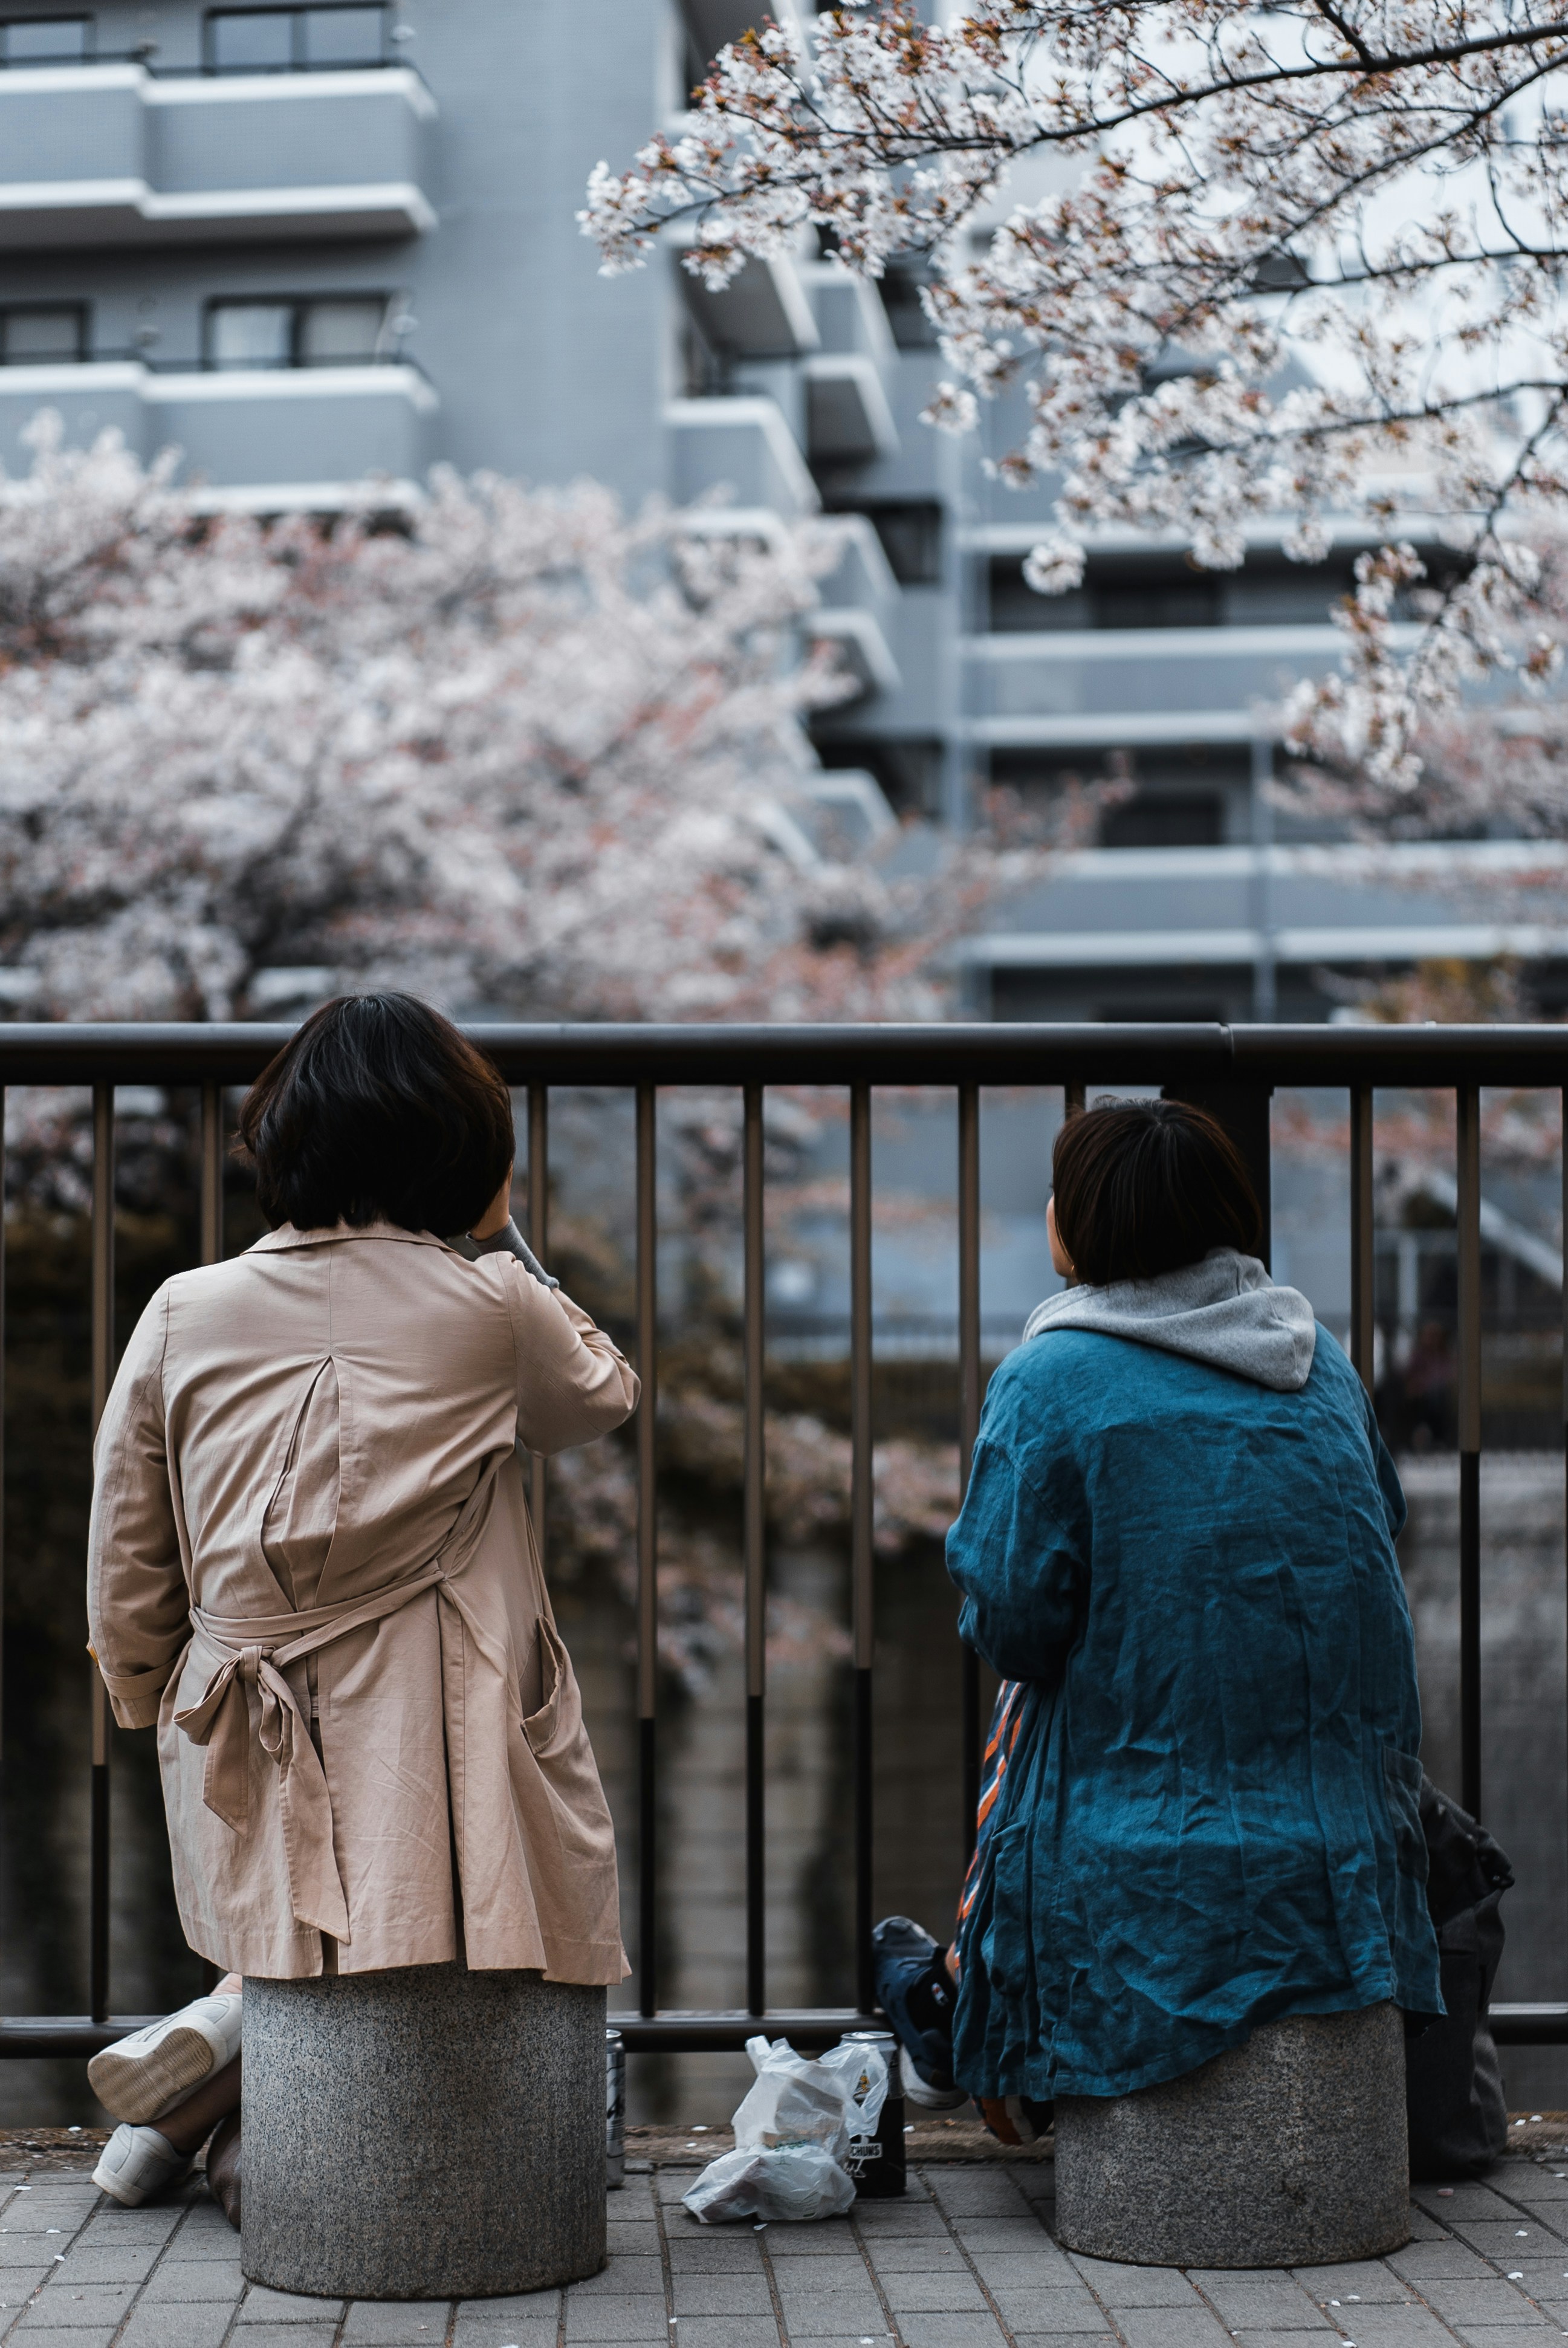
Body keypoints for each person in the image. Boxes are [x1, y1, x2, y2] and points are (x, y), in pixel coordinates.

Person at [85, 994, 640, 2212]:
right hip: (440, 1742)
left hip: (236, 1709)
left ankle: (209, 2109)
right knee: (434, 1900)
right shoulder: (494, 1311)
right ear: (466, 1154)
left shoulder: (182, 1308)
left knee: (292, 1937)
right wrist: (504, 1243)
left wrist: (142, 1690)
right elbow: (599, 1396)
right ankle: (224, 2125)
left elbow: (128, 1537)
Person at [876, 1097, 1442, 2141]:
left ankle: (960, 2013)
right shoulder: (1317, 1358)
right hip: (1345, 1826)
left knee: (1026, 1717)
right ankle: (952, 2000)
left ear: (1082, 1224)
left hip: (1140, 1835)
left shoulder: (1049, 1377)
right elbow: (1381, 1524)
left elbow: (1010, 1621)